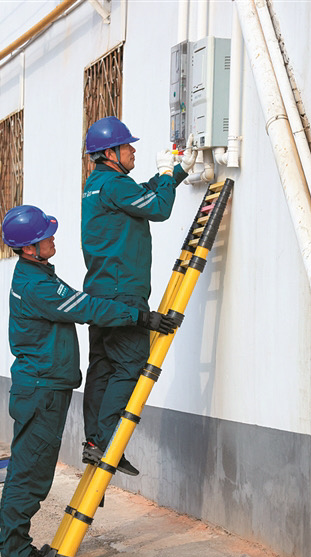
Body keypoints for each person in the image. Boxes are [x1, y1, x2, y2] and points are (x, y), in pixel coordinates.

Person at [0, 204, 175, 557]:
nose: (53, 238)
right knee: (30, 473)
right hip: (41, 391)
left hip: (44, 387)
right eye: (46, 235)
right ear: (29, 248)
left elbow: (82, 303)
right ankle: (16, 553)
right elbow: (85, 307)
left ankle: (16, 548)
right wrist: (140, 317)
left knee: (32, 469)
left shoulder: (39, 273)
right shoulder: (36, 285)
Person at [80, 116, 196, 476]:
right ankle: (109, 442)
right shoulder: (115, 185)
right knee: (130, 365)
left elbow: (143, 196)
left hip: (101, 290)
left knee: (102, 368)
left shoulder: (98, 184)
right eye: (127, 146)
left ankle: (94, 442)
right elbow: (158, 208)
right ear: (110, 153)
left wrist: (178, 172)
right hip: (123, 292)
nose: (133, 151)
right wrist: (166, 174)